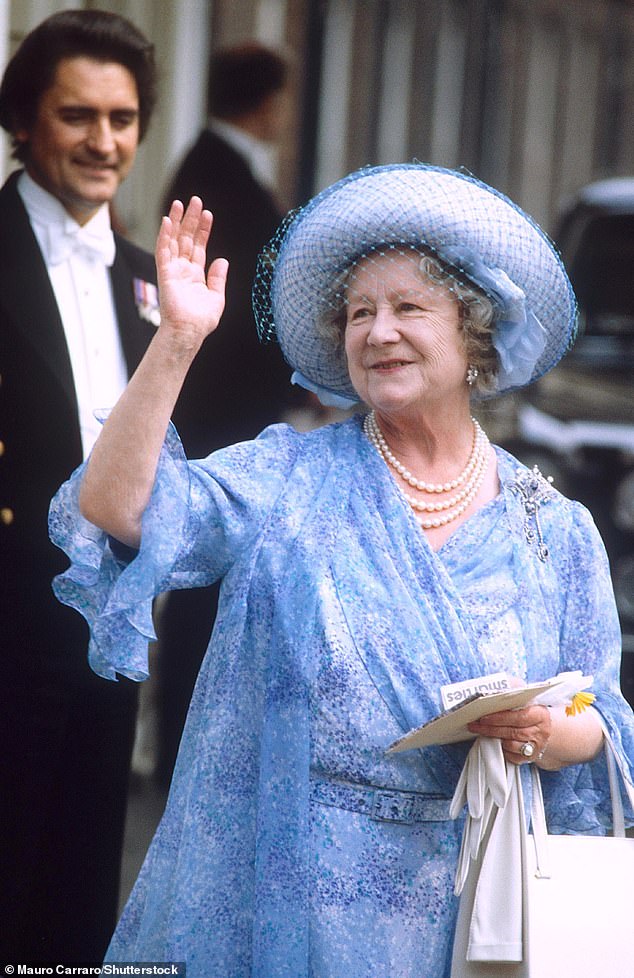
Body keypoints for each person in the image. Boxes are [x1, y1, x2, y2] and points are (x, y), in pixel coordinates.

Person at [49, 164, 634, 977]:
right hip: (295, 908)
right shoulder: (288, 477)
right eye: (360, 312)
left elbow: (603, 716)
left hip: (479, 917)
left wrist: (548, 732)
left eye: (408, 308)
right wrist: (176, 343)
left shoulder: (556, 528)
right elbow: (117, 509)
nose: (377, 331)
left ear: (473, 335)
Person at [0, 9, 158, 961]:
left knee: (80, 890)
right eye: (77, 116)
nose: (105, 142)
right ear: (25, 120)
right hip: (6, 620)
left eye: (125, 118)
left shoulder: (148, 279)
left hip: (111, 629)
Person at [155, 42, 299, 785]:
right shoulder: (223, 176)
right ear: (266, 102)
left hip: (226, 403)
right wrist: (296, 379)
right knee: (205, 582)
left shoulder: (213, 165)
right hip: (222, 413)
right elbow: (248, 307)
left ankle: (199, 733)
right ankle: (190, 740)